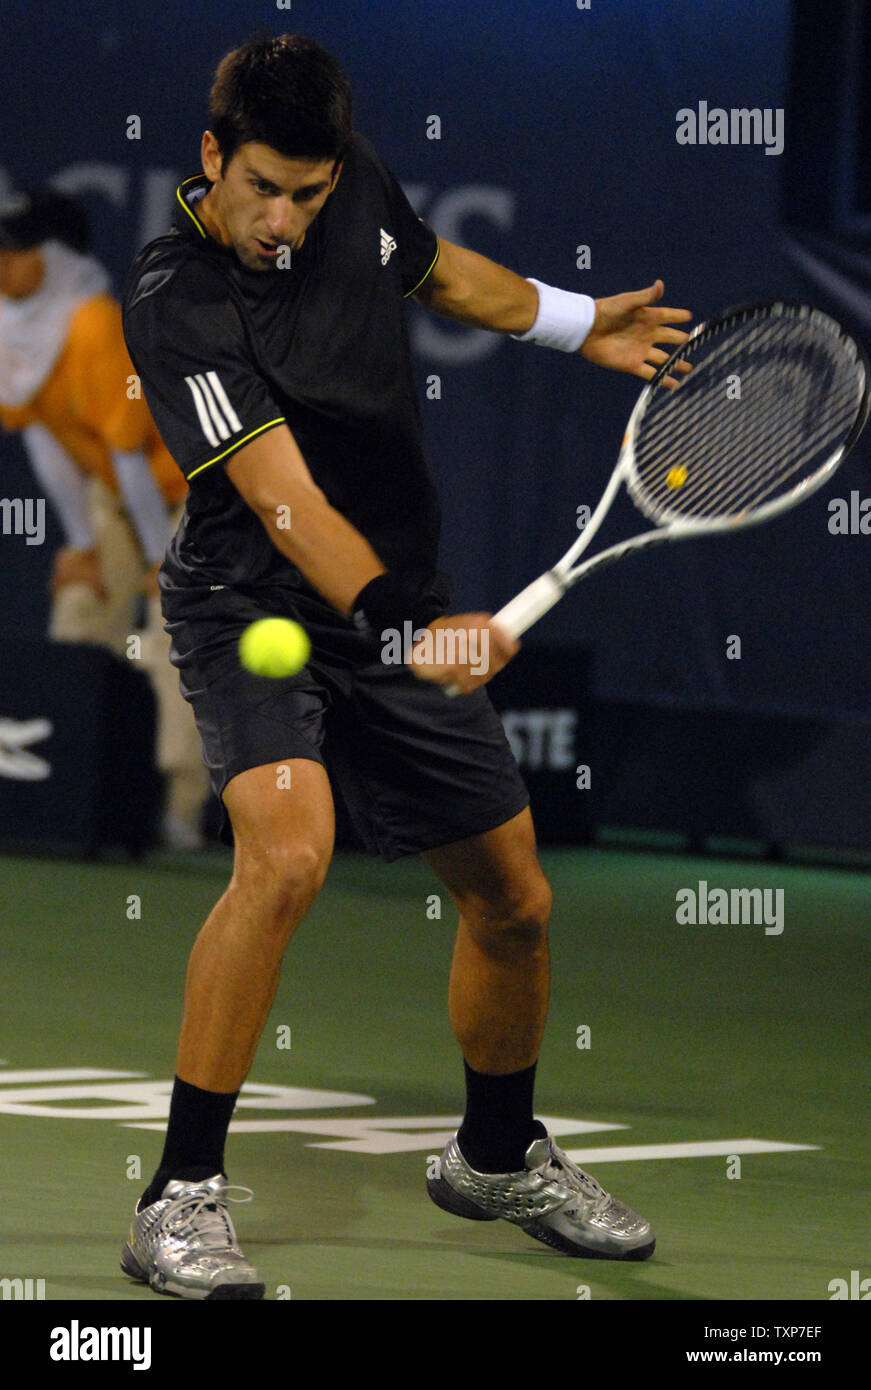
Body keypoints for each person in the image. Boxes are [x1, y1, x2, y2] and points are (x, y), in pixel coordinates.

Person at [120, 32, 692, 1299]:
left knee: (515, 896)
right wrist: (399, 622)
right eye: (263, 187)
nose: (285, 219)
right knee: (287, 852)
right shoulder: (177, 300)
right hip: (246, 602)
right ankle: (180, 1196)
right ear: (212, 158)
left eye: (309, 197)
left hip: (391, 597)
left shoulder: (350, 187)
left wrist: (576, 321)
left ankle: (494, 1157)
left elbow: (435, 272)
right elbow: (279, 500)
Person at [0, 186, 212, 850]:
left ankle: (174, 811)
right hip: (112, 494)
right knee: (79, 613)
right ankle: (71, 790)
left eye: (15, 252)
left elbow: (127, 450)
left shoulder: (94, 323)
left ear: (57, 257)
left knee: (171, 644)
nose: (2, 265)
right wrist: (83, 545)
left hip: (184, 498)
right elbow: (41, 433)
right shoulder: (11, 326)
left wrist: (157, 560)